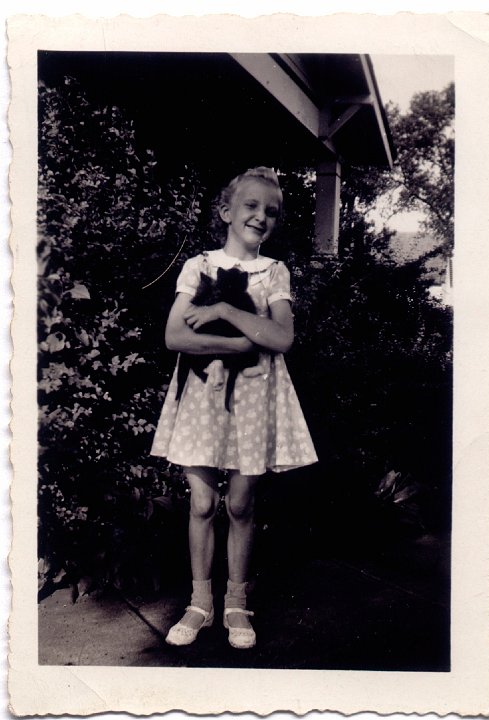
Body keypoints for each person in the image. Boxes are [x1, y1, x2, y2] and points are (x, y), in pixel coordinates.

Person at [151, 167, 317, 649]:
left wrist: (224, 312)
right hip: (202, 398)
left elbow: (281, 337)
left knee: (241, 504)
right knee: (202, 502)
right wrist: (243, 342)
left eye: (271, 211)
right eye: (251, 206)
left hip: (254, 402)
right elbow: (175, 336)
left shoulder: (275, 272)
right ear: (226, 211)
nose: (261, 216)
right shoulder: (198, 267)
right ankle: (199, 602)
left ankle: (236, 603)